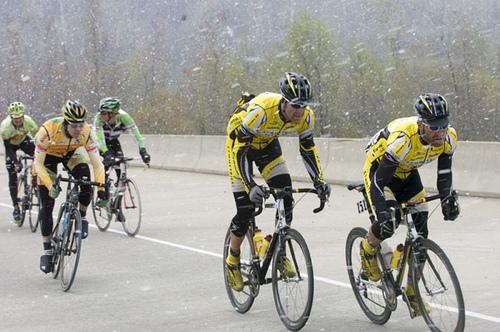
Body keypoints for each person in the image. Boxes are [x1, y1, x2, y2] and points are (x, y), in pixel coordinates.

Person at [224, 72, 331, 291]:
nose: (300, 111)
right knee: (246, 208)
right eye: (295, 106)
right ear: (283, 102)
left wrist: (319, 182)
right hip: (239, 146)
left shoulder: (306, 116)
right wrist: (251, 185)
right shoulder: (262, 111)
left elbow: (308, 149)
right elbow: (240, 152)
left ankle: (279, 251)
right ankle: (232, 260)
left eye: (304, 105)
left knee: (286, 197)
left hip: (267, 146)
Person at [359, 93, 460, 315]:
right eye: (434, 127)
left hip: (407, 172)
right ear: (421, 124)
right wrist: (384, 212)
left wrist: (447, 199)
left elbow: (444, 172)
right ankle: (367, 251)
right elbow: (379, 181)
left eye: (443, 125)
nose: (440, 132)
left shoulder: (449, 138)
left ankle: (412, 291)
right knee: (389, 223)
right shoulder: (403, 139)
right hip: (380, 172)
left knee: (421, 232)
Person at [35, 100, 105, 273]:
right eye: (74, 125)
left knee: (86, 183)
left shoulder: (86, 132)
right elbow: (38, 164)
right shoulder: (47, 130)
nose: (79, 129)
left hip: (72, 154)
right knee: (46, 207)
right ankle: (47, 249)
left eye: (81, 125)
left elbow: (97, 164)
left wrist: (103, 189)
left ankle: (81, 216)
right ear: (66, 122)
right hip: (48, 159)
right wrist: (51, 185)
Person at [93, 97, 150, 208]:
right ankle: (103, 194)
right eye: (100, 112)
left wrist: (143, 150)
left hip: (114, 141)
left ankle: (117, 205)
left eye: (104, 113)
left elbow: (136, 135)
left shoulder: (124, 117)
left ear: (113, 114)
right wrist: (106, 154)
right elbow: (99, 140)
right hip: (102, 143)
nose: (101, 115)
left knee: (122, 169)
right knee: (105, 164)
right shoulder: (98, 119)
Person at [0, 102, 38, 224]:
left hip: (23, 141)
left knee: (38, 156)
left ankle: (35, 180)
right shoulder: (5, 127)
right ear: (11, 117)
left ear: (23, 116)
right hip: (11, 146)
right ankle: (16, 206)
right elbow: (8, 148)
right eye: (15, 118)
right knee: (12, 174)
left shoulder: (29, 121)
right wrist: (15, 162)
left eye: (20, 117)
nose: (17, 120)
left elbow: (38, 139)